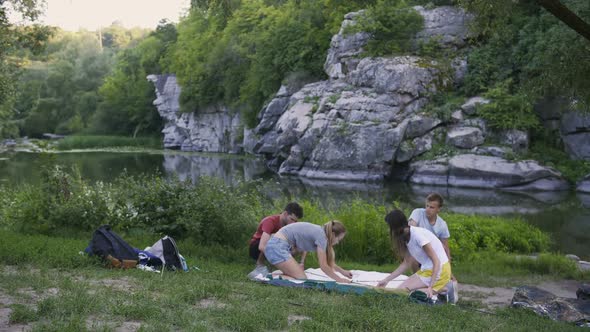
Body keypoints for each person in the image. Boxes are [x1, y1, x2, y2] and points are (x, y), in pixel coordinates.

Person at [377, 209, 453, 302]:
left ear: (395, 227)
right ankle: (439, 288)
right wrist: (386, 280)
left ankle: (441, 289)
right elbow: (407, 263)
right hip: (427, 269)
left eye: (390, 227)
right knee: (400, 290)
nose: (389, 230)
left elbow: (436, 261)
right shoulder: (407, 236)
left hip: (440, 270)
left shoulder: (418, 236)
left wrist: (430, 286)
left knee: (406, 293)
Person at [264, 221, 352, 283]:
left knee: (298, 276)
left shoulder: (321, 233)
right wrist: (339, 280)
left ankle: (272, 275)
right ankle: (269, 277)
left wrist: (343, 272)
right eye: (338, 239)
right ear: (332, 234)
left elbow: (328, 263)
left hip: (276, 246)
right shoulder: (322, 237)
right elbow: (324, 266)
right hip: (277, 247)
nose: (338, 242)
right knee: (301, 278)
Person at [247, 202, 303, 279]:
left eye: (295, 221)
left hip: (275, 247)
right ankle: (259, 266)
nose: (293, 223)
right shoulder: (270, 221)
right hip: (256, 247)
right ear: (285, 214)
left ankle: (285, 268)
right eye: (292, 219)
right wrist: (279, 255)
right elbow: (262, 246)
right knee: (275, 238)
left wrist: (301, 262)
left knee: (298, 246)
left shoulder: (291, 225)